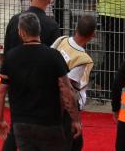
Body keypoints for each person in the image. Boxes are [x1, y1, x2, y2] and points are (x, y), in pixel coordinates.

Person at [0, 12, 82, 150]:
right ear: (38, 31)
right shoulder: (54, 56)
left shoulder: (11, 57)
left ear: (22, 32)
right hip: (50, 123)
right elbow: (66, 89)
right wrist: (75, 119)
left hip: (22, 124)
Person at [51, 15, 97, 150]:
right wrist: (74, 116)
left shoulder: (61, 40)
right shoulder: (84, 59)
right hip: (66, 106)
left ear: (76, 28)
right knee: (71, 143)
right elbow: (68, 87)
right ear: (93, 35)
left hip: (49, 97)